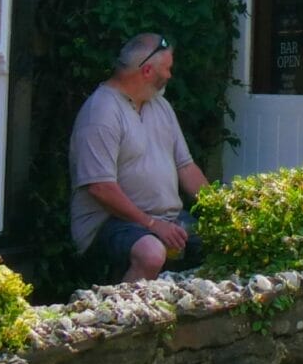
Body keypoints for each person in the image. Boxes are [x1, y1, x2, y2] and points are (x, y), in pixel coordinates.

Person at [70, 34, 209, 283]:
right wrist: (153, 225)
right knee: (152, 253)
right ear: (146, 70)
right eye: (166, 69)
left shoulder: (160, 106)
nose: (169, 76)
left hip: (165, 219)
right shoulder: (101, 111)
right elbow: (100, 188)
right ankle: (121, 318)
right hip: (111, 223)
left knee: (222, 238)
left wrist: (221, 210)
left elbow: (186, 167)